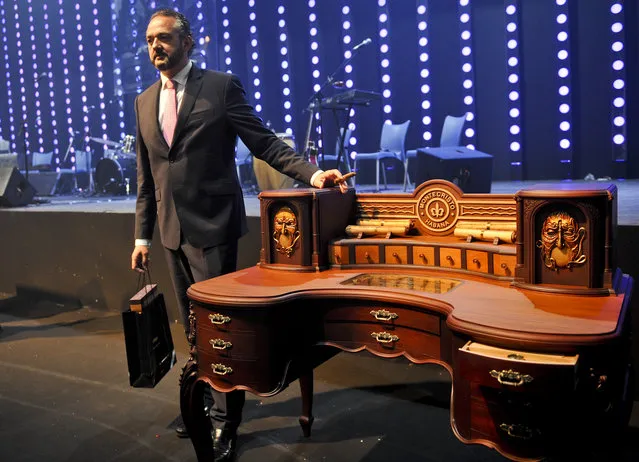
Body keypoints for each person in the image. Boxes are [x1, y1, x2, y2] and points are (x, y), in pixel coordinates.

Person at [130, 8, 349, 462]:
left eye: (164, 38)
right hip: (171, 231)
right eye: (150, 39)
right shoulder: (143, 100)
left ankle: (227, 419)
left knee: (220, 327)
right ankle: (205, 401)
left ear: (187, 42)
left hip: (214, 227)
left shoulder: (221, 86)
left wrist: (311, 174)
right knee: (193, 324)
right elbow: (146, 178)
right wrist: (141, 237)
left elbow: (265, 143)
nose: (156, 46)